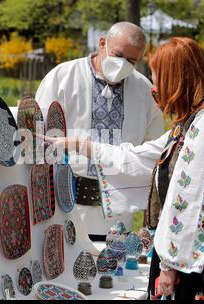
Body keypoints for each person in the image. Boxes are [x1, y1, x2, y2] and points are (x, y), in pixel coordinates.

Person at [46, 37, 204, 300]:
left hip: (197, 264)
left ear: (177, 80)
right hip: (189, 261)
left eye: (159, 78)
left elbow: (192, 200)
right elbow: (141, 157)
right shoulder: (193, 122)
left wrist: (171, 267)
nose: (156, 88)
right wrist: (80, 145)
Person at [35, 22, 164, 243]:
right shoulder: (62, 77)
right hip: (63, 204)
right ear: (102, 43)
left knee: (111, 273)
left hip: (117, 212)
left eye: (131, 61)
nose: (123, 64)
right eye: (118, 55)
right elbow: (39, 140)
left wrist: (149, 223)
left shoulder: (145, 92)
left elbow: (152, 161)